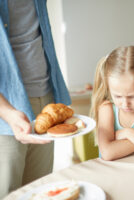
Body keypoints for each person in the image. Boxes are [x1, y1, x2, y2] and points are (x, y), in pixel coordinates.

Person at [0, 0, 71, 198]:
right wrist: (7, 112)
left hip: (45, 98)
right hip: (5, 111)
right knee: (8, 193)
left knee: (40, 190)